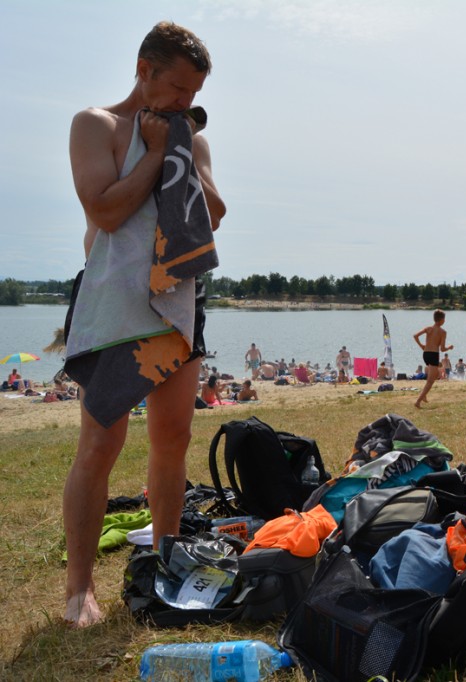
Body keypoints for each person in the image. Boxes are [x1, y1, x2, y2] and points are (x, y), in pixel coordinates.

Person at [62, 22, 225, 627]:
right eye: (176, 88)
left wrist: (181, 147)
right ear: (144, 69)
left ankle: (166, 559)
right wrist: (155, 154)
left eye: (194, 92)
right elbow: (103, 210)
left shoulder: (191, 136)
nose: (185, 102)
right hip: (113, 301)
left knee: (173, 439)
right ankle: (80, 589)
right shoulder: (96, 125)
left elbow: (212, 215)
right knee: (101, 444)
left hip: (178, 299)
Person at [413, 309, 454, 408]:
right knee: (431, 380)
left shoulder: (428, 328)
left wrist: (422, 345)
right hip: (433, 354)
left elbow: (415, 336)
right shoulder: (443, 332)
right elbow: (443, 349)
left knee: (434, 375)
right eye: (444, 319)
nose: (444, 321)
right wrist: (449, 347)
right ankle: (418, 401)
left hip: (426, 353)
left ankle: (424, 395)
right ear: (441, 320)